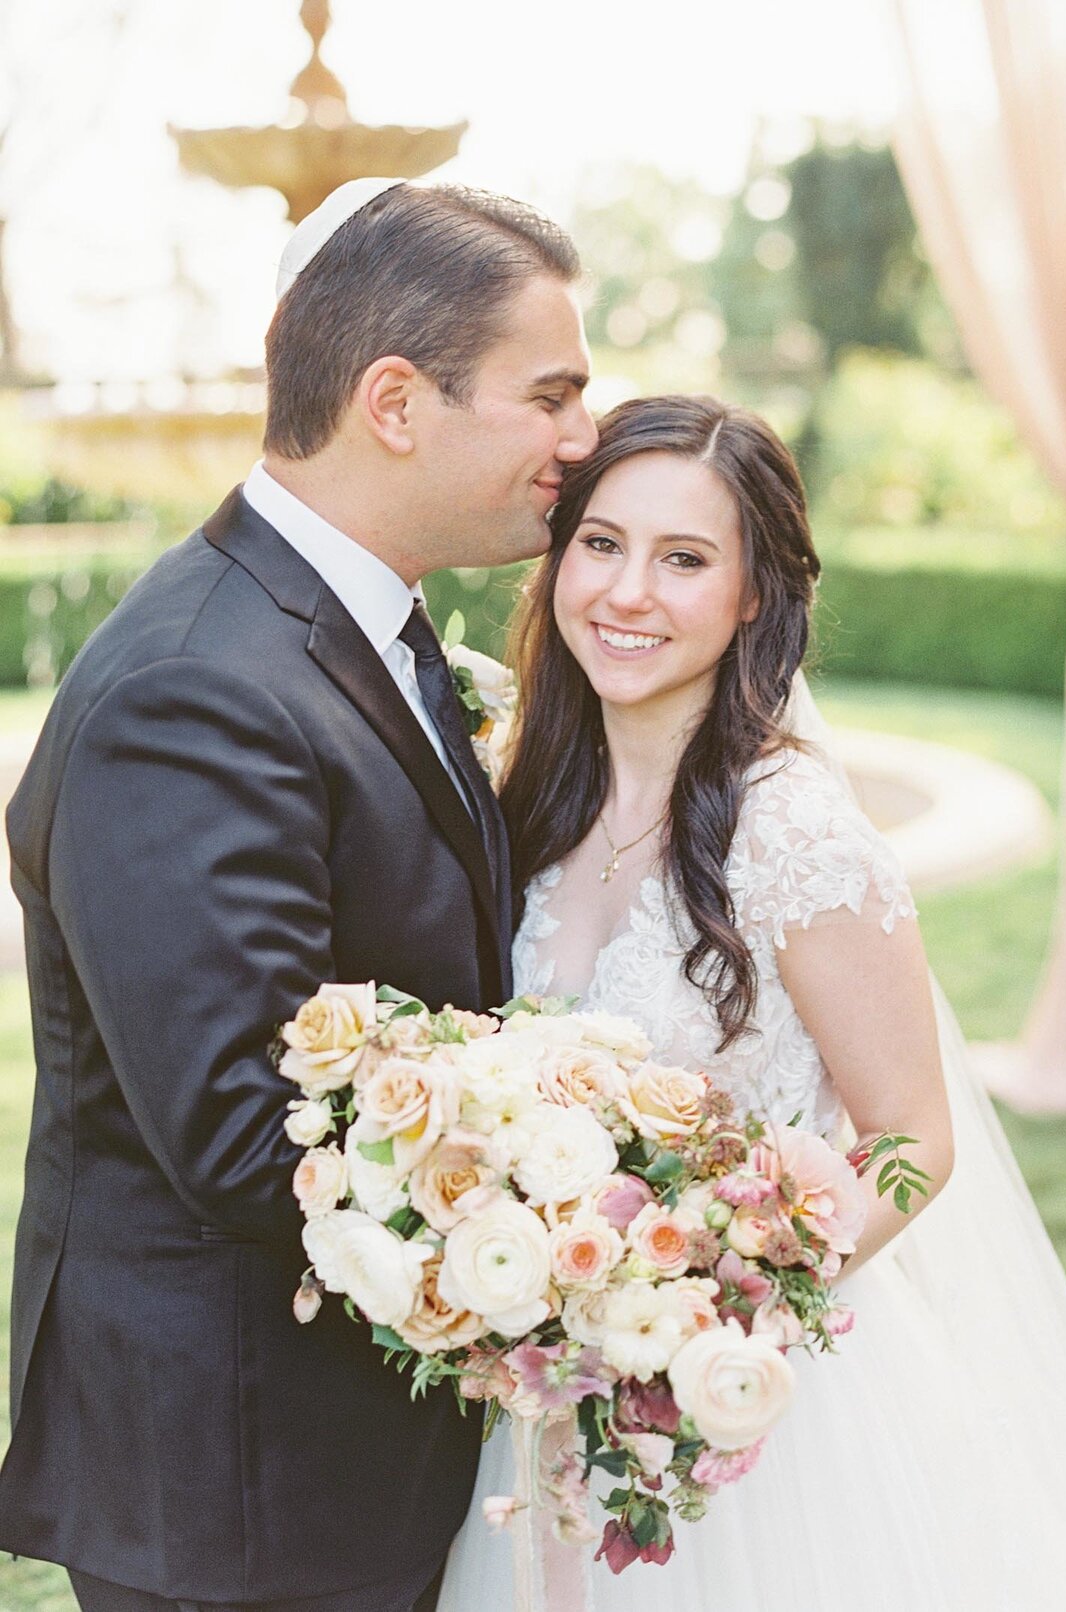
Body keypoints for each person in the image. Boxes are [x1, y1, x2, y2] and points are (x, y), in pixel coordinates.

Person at [437, 394, 1066, 1611]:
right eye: (602, 543)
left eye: (684, 559)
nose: (628, 592)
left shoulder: (792, 833)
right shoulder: (524, 797)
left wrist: (730, 1303)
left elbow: (913, 1141)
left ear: (752, 597)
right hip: (543, 1393)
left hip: (754, 1411)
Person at [0, 179, 596, 1612]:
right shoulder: (197, 687)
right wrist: (605, 1213)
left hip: (341, 1449)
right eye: (553, 395)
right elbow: (245, 1126)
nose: (584, 441)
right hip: (243, 1484)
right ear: (397, 402)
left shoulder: (355, 623)